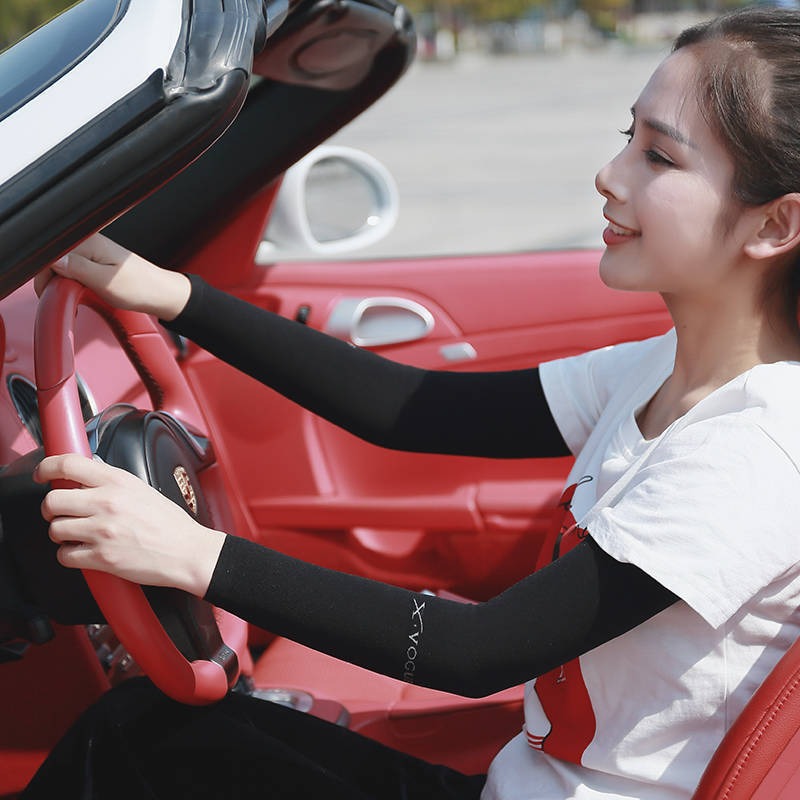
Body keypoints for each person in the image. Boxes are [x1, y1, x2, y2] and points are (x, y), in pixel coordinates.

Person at [22, 5, 800, 799]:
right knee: (143, 735)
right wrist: (170, 295)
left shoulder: (752, 454)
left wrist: (187, 552)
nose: (611, 175)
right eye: (625, 137)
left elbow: (479, 651)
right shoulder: (668, 369)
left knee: (127, 746)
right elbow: (410, 408)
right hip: (521, 781)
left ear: (775, 223)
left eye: (659, 158)